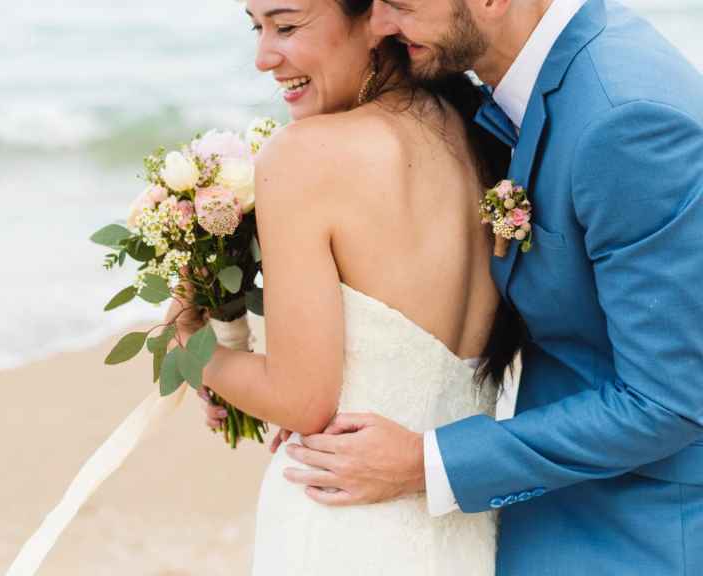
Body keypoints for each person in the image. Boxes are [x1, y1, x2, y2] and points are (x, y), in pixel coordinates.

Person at [276, 0, 703, 573]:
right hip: (535, 510)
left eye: (399, 4)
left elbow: (670, 400)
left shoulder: (625, 119)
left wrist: (427, 463)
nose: (377, 26)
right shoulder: (521, 87)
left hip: (629, 534)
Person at [169, 0, 514, 573]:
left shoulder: (305, 156)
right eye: (257, 29)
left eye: (286, 25)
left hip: (341, 525)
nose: (263, 57)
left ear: (375, 20)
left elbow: (301, 400)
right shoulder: (481, 135)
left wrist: (187, 350)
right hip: (464, 531)